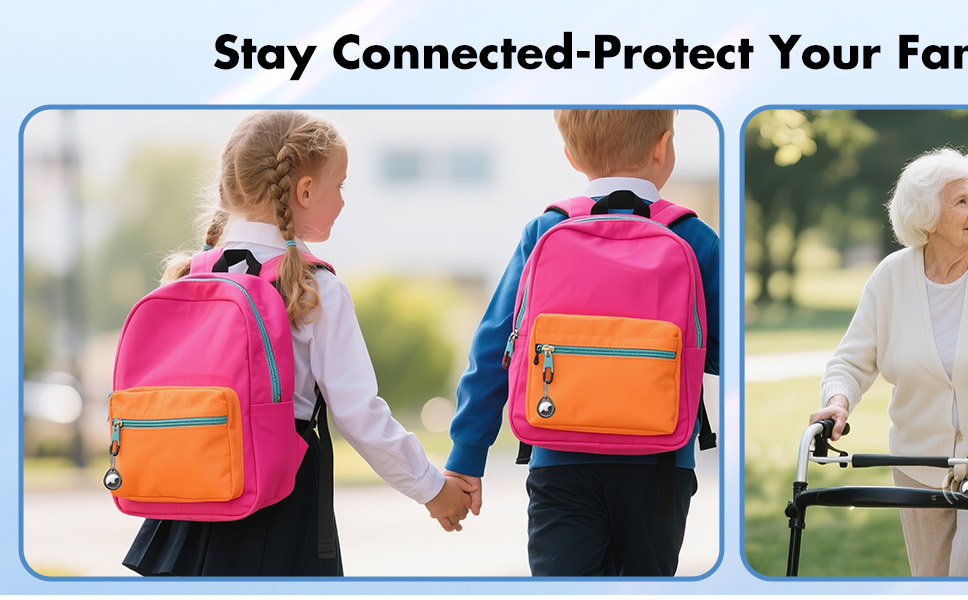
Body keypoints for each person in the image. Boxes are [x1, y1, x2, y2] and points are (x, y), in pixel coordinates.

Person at [123, 110, 475, 577]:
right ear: (305, 191)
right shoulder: (314, 289)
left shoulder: (189, 274)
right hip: (276, 508)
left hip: (184, 508)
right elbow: (358, 413)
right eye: (340, 187)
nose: (344, 202)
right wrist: (431, 488)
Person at [445, 109, 720, 576]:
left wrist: (467, 454)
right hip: (659, 464)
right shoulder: (693, 237)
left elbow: (497, 344)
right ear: (663, 146)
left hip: (559, 457)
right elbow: (718, 351)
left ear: (571, 156)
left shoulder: (545, 231)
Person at [808, 147, 968, 577]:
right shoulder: (892, 276)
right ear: (926, 216)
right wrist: (837, 402)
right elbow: (850, 361)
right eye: (962, 202)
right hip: (917, 463)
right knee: (928, 580)